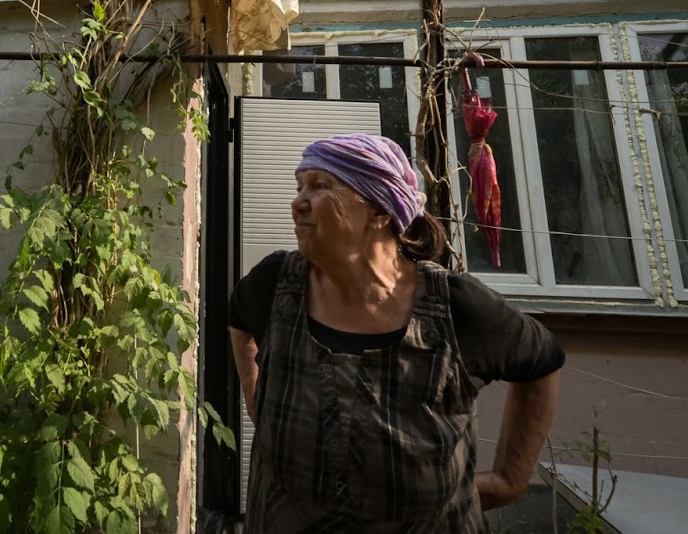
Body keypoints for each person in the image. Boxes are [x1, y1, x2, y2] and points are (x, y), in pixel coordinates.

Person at [229, 134, 564, 532]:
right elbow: (238, 317)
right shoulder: (274, 285)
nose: (298, 201)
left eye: (320, 186)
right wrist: (261, 404)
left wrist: (510, 479)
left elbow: (542, 358)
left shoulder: (454, 308)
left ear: (379, 211)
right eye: (299, 186)